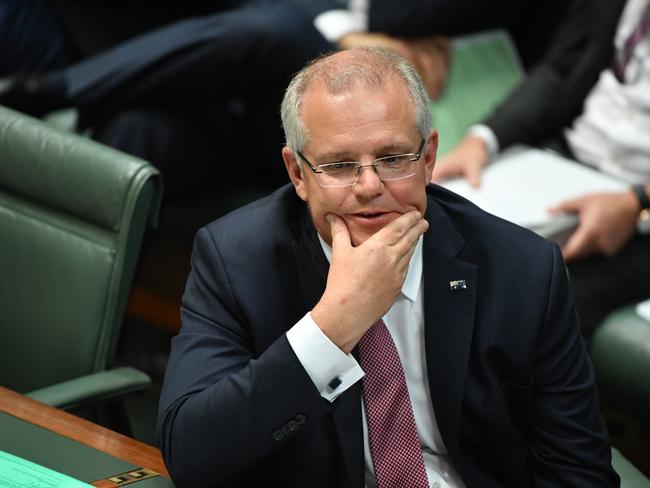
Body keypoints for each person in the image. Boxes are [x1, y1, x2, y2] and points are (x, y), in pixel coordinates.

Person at [157, 47, 618, 487]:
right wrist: (333, 326)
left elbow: (579, 471)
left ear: (429, 158)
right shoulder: (236, 259)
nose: (369, 186)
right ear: (297, 173)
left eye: (393, 159)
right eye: (339, 166)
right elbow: (192, 454)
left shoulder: (523, 269)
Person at [431, 0, 649, 335]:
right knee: (438, 238)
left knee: (527, 300)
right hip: (567, 160)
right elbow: (564, 64)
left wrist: (638, 204)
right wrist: (484, 139)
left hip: (638, 205)